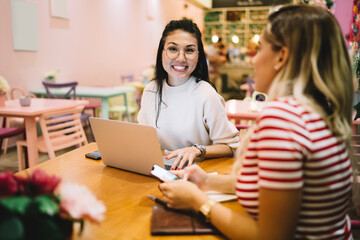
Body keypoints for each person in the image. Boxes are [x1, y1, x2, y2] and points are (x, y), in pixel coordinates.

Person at [158, 4, 358, 239]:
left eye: (260, 48)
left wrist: (197, 201)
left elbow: (270, 236)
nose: (253, 60)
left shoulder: (282, 121)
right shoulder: (318, 111)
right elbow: (275, 188)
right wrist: (207, 182)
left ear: (281, 56)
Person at [137, 19, 239, 170]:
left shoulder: (206, 94)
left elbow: (231, 146)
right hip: (159, 170)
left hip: (197, 174)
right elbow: (143, 138)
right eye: (173, 49)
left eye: (189, 50)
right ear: (161, 53)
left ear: (198, 56)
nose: (180, 58)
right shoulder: (151, 90)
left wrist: (197, 150)